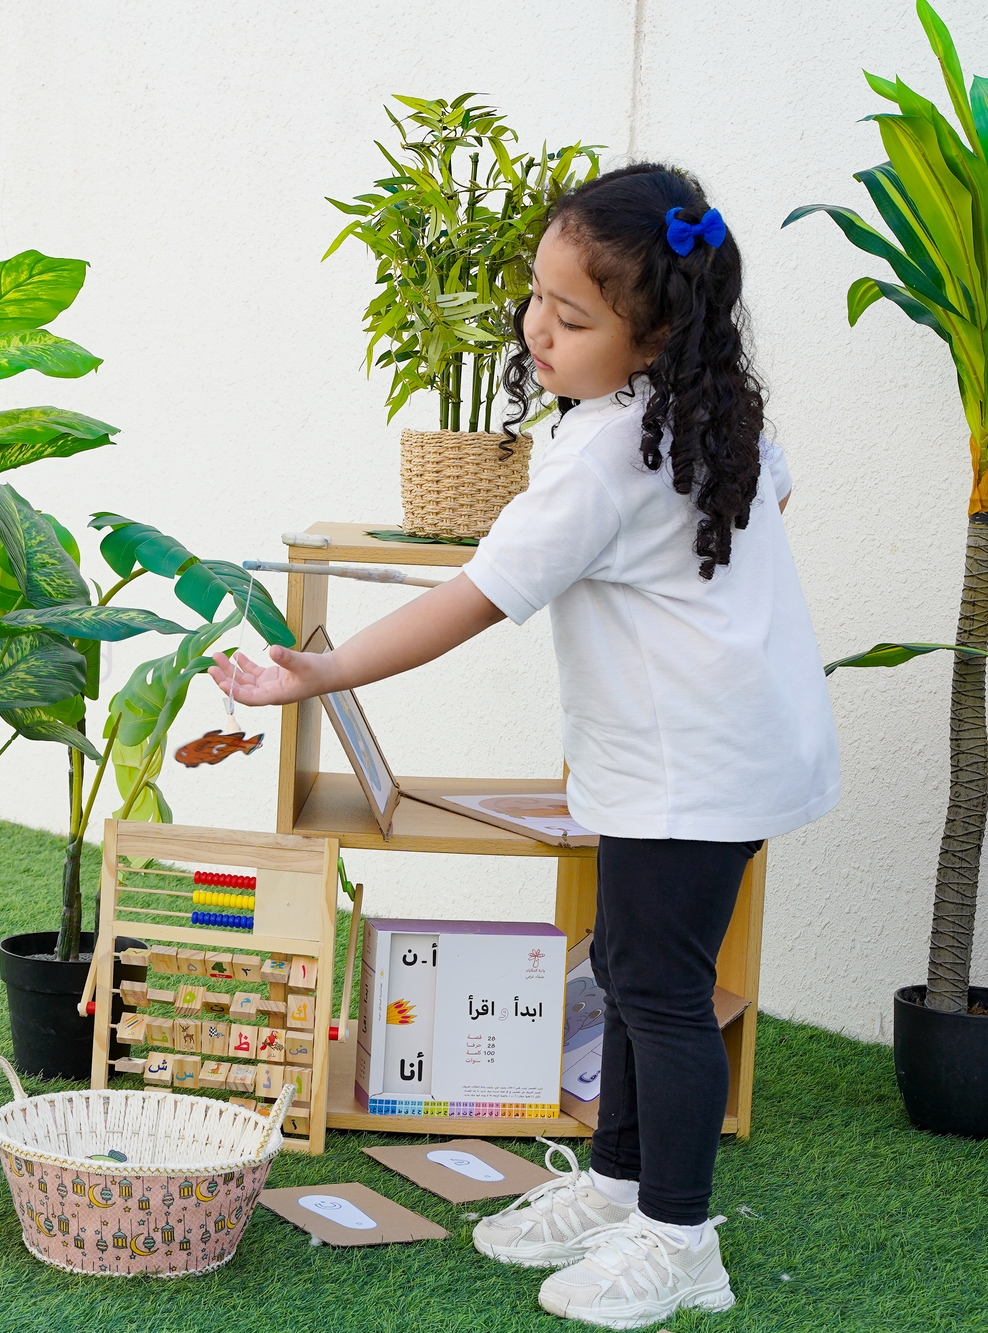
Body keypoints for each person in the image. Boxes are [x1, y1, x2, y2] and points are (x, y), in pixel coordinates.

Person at [214, 165, 838, 1328]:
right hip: (717, 750)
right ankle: (616, 1190)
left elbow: (472, 598)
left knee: (658, 992)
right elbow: (767, 508)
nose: (534, 328)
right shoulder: (705, 412)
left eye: (571, 314)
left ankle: (678, 1240)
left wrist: (318, 668)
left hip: (685, 768)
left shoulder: (601, 457)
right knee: (633, 966)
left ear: (651, 334)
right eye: (535, 298)